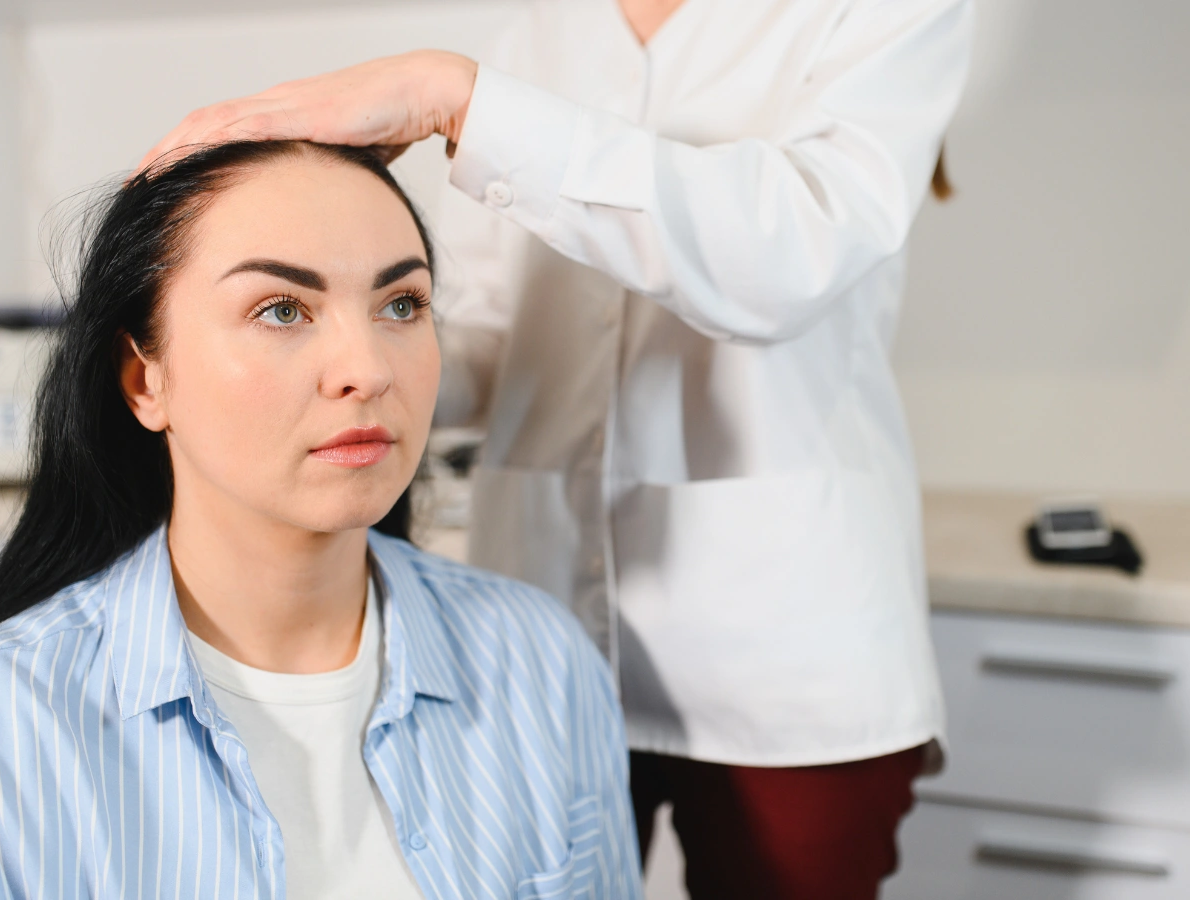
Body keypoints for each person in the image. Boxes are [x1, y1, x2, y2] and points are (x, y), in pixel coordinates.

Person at [144, 0, 974, 895]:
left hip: (781, 655)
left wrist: (454, 99)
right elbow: (494, 337)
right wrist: (339, 351)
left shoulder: (882, 15)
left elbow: (791, 256)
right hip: (539, 631)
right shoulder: (541, 37)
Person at [0, 140, 641, 900]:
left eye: (402, 304)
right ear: (145, 379)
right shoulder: (16, 721)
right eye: (281, 310)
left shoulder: (541, 662)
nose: (367, 368)